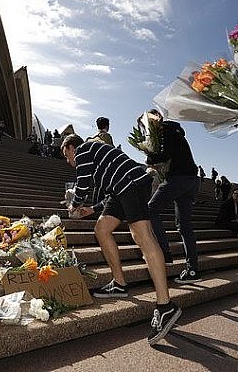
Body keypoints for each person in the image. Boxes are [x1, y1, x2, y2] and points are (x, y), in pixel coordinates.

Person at [62, 134, 181, 345]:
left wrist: (74, 204)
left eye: (66, 155)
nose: (69, 161)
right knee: (102, 228)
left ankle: (165, 306)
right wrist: (91, 209)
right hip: (121, 187)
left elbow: (82, 183)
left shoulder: (84, 150)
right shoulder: (98, 157)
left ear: (71, 147)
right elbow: (109, 196)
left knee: (141, 235)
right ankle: (119, 283)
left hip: (130, 182)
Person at [145, 109, 201, 283]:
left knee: (150, 209)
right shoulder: (176, 132)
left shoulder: (166, 130)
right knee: (184, 226)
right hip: (191, 180)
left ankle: (164, 252)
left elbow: (165, 154)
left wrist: (150, 158)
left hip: (179, 178)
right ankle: (192, 270)